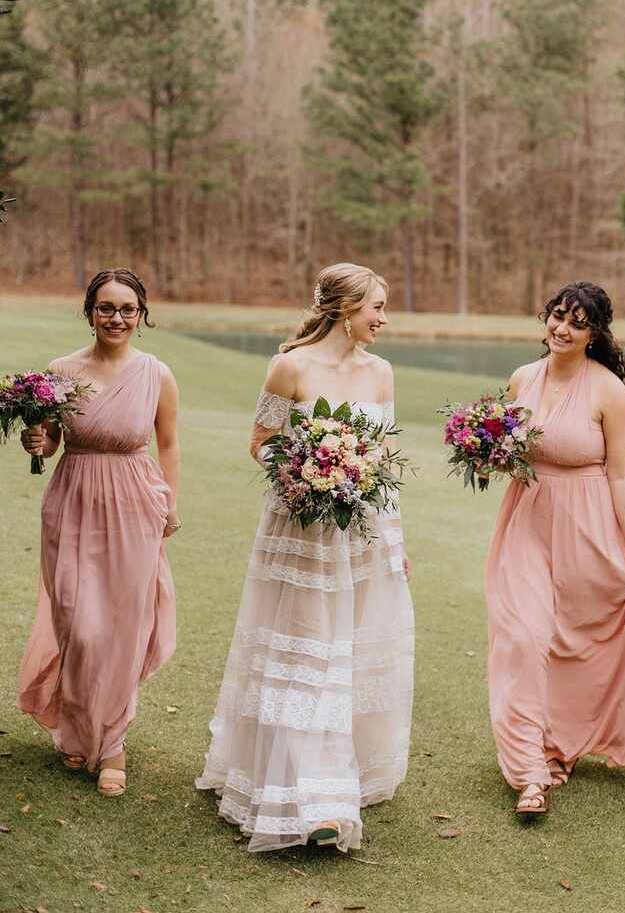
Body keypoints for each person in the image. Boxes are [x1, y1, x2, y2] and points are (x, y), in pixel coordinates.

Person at [196, 262, 413, 852]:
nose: (383, 320)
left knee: (345, 655)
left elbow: (386, 463)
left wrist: (394, 542)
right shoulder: (289, 366)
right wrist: (304, 478)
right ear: (347, 308)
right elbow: (261, 443)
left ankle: (344, 771)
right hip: (299, 532)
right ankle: (315, 798)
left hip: (360, 538)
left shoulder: (382, 373)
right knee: (304, 655)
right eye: (377, 308)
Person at [485, 280, 625, 817]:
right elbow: (507, 451)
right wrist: (483, 450)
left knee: (574, 642)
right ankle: (529, 771)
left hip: (588, 522)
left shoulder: (608, 391)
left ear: (594, 333)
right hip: (527, 518)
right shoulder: (521, 378)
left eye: (578, 322)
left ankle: (559, 746)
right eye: (558, 315)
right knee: (523, 636)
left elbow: (622, 477)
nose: (562, 328)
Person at [18, 268, 180, 796]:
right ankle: (77, 721)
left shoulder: (158, 373)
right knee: (79, 623)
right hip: (73, 501)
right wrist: (36, 442)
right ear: (89, 311)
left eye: (127, 309)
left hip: (135, 501)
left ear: (142, 315)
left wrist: (170, 504)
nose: (117, 318)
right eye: (106, 308)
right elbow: (53, 443)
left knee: (122, 625)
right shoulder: (61, 371)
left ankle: (111, 742)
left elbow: (169, 444)